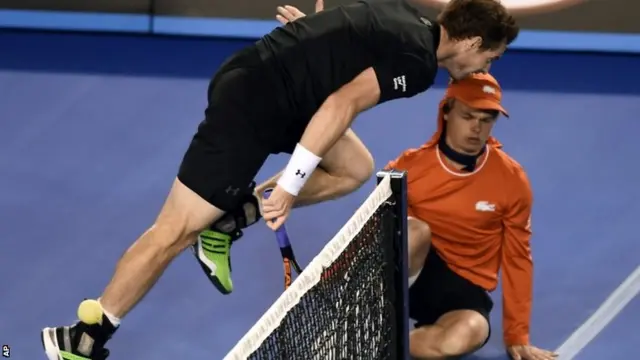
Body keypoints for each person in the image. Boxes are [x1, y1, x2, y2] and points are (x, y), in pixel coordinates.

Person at [41, 0, 519, 358]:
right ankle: (83, 338)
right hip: (254, 104)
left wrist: (310, 40)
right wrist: (289, 185)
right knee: (172, 233)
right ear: (473, 42)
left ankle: (225, 224)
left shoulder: (408, 21)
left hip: (280, 86)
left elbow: (344, 38)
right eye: (490, 57)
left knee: (352, 168)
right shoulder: (417, 65)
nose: (484, 67)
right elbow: (340, 104)